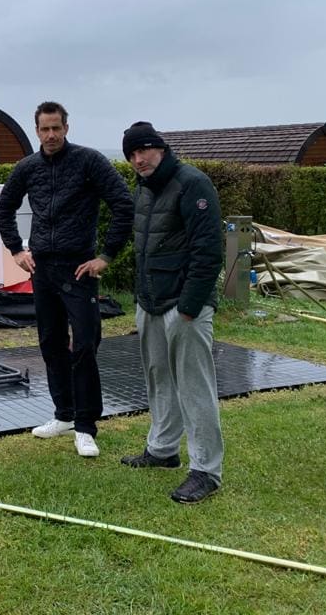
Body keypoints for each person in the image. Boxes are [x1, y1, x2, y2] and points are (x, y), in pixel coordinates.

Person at [0, 101, 133, 458]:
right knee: (50, 342)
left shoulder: (88, 162)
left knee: (85, 344)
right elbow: (3, 207)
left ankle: (86, 426)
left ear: (66, 128)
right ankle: (63, 415)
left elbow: (123, 203)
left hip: (78, 269)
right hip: (42, 269)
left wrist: (106, 256)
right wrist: (16, 250)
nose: (51, 135)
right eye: (44, 129)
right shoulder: (28, 167)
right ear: (36, 131)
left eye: (57, 128)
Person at [119, 121, 225, 504]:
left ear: (159, 148)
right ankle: (163, 450)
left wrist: (190, 307)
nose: (137, 160)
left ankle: (206, 471)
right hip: (150, 302)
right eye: (131, 155)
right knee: (158, 378)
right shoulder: (144, 188)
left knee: (194, 387)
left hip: (184, 308)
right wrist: (142, 301)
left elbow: (209, 250)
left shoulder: (192, 184)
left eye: (142, 151)